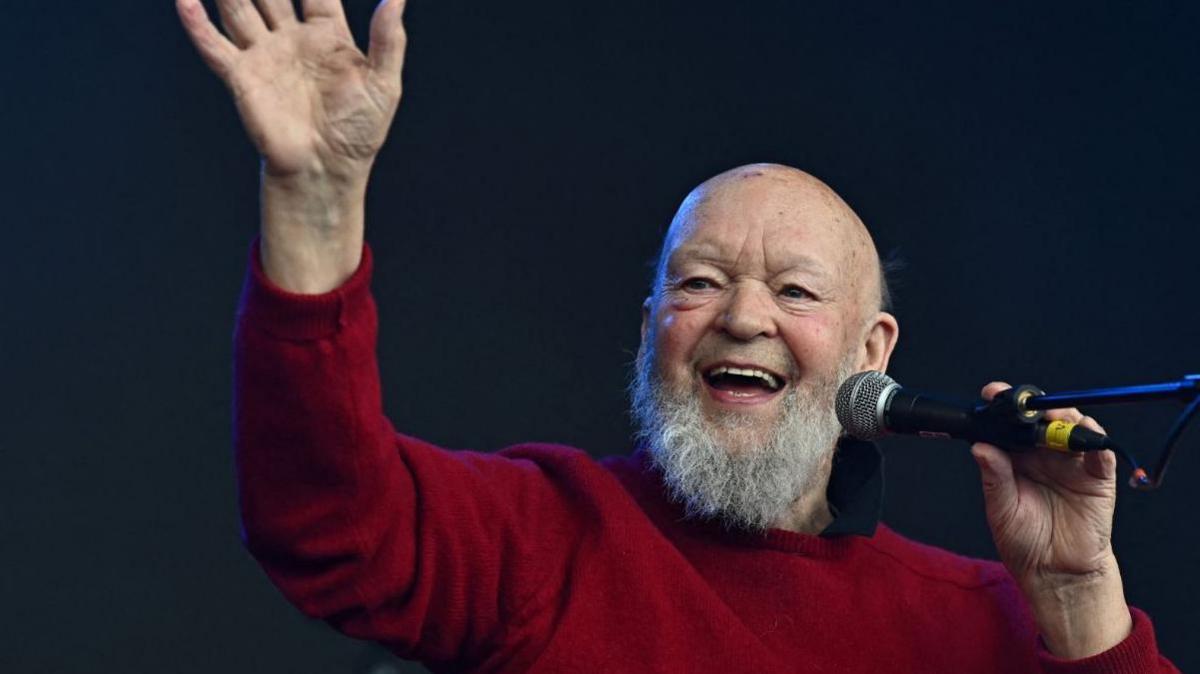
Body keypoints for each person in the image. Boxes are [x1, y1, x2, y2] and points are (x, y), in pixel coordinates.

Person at [177, 0, 1179, 671]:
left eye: (793, 288)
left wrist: (1078, 597)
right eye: (700, 282)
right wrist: (315, 200)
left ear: (873, 351)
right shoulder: (550, 536)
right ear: (654, 321)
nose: (742, 317)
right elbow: (325, 520)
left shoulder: (988, 620)